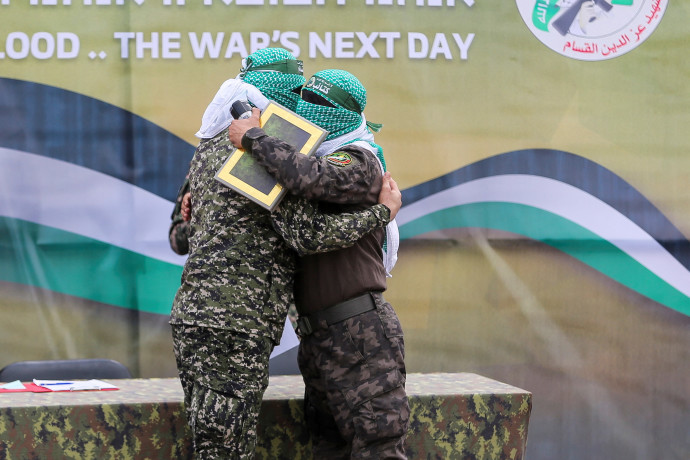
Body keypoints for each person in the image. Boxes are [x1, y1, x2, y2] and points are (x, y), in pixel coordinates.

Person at [169, 48, 400, 459]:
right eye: (297, 96)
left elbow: (180, 238)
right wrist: (381, 213)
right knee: (225, 450)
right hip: (236, 324)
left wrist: (192, 219)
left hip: (194, 317)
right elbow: (307, 234)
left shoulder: (207, 150)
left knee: (212, 444)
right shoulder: (259, 159)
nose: (300, 109)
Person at [228, 69, 409, 459]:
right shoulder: (298, 167)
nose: (310, 112)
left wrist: (254, 137)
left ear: (346, 117)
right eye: (305, 101)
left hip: (359, 330)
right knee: (329, 447)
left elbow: (313, 178)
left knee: (377, 447)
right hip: (319, 337)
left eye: (322, 105)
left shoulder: (360, 161)